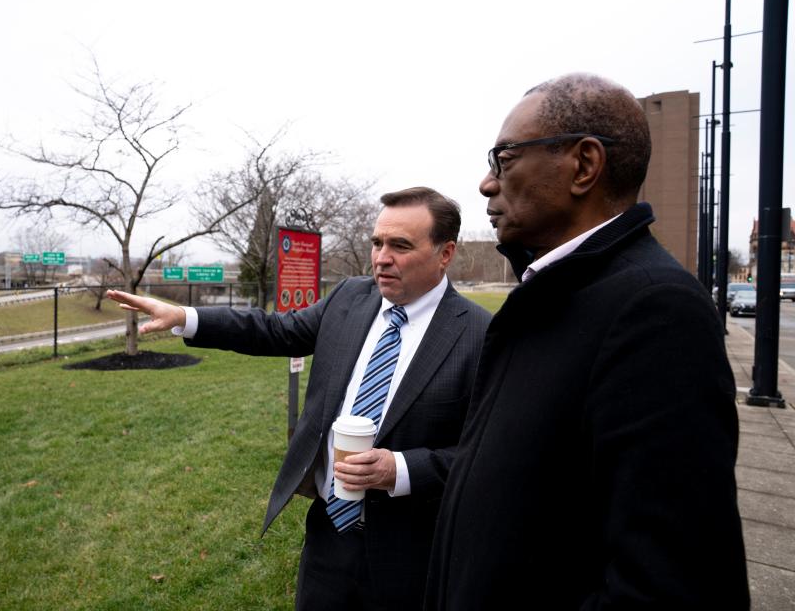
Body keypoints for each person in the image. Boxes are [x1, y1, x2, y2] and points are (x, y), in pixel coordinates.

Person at [425, 74, 749, 609]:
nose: (486, 183)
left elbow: (670, 585)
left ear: (583, 165)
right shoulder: (558, 292)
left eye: (503, 159)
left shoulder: (655, 312)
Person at [108, 187, 491, 610]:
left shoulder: (479, 335)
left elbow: (484, 458)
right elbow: (275, 330)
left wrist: (399, 469)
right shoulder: (350, 298)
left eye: (400, 245)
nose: (382, 258)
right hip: (328, 537)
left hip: (411, 552)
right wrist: (187, 317)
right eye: (377, 243)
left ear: (445, 253)